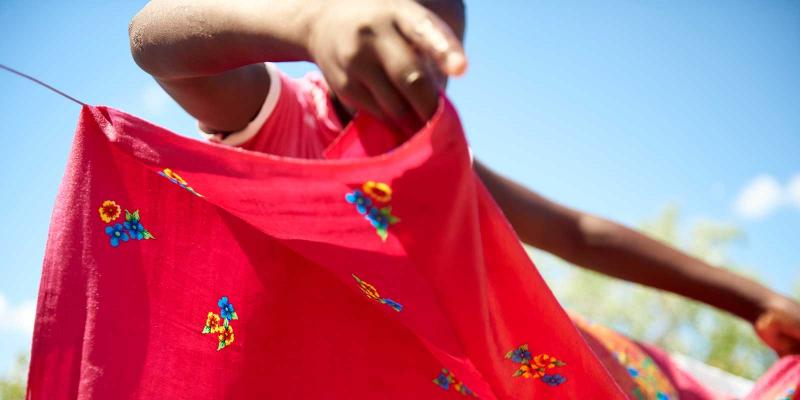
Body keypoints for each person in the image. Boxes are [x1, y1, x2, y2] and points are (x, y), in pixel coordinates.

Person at [129, 0, 800, 365]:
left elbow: (578, 233)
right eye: (392, 29)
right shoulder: (279, 120)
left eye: (437, 50)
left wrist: (759, 299)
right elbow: (152, 40)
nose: (414, 68)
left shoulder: (438, 173)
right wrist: (308, 23)